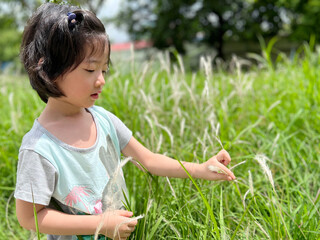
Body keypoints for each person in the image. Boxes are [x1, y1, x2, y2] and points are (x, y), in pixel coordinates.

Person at [14, 2, 236, 240]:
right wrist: (98, 224)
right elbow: (29, 217)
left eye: (104, 70)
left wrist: (201, 169)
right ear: (47, 69)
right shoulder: (39, 149)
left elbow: (149, 160)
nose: (101, 81)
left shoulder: (104, 121)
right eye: (90, 70)